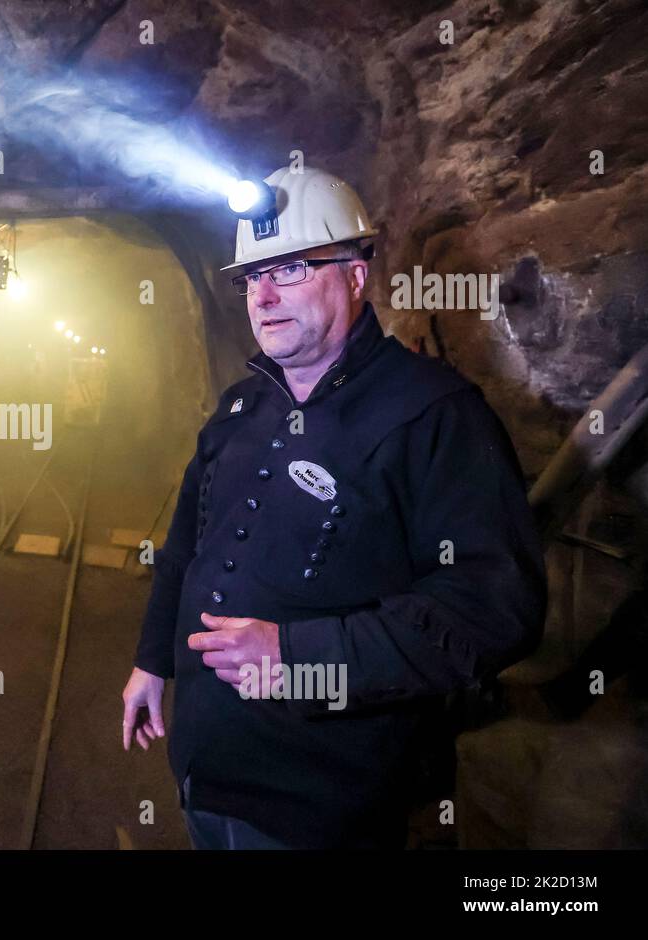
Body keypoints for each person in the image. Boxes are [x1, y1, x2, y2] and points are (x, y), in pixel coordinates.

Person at [120, 166, 547, 849]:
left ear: (355, 274)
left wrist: (299, 655)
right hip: (207, 770)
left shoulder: (433, 414)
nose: (262, 295)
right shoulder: (239, 408)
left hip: (327, 804)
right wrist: (153, 662)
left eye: (288, 269)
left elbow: (492, 608)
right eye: (250, 277)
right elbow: (185, 551)